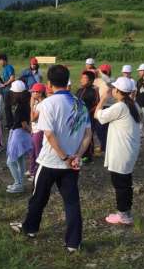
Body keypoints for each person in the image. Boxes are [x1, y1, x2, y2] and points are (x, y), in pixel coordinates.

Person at [10, 65, 92, 252]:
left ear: (49, 83)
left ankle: (30, 228)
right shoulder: (80, 104)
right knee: (72, 202)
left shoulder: (48, 104)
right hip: (71, 163)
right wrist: (77, 156)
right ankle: (73, 243)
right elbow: (88, 134)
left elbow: (48, 133)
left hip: (50, 162)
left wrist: (64, 157)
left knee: (38, 198)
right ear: (68, 80)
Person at [95, 77, 141, 225]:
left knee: (121, 184)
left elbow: (98, 115)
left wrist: (103, 99)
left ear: (119, 91)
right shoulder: (133, 104)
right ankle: (126, 213)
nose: (112, 90)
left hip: (121, 151)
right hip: (128, 150)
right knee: (125, 183)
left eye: (114, 88)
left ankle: (123, 215)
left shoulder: (120, 107)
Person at [6, 80, 32, 194]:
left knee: (11, 161)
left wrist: (32, 132)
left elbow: (24, 124)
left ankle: (18, 183)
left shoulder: (21, 106)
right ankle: (20, 183)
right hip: (20, 133)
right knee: (20, 159)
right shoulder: (26, 103)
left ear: (16, 93)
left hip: (18, 133)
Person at [75, 70, 99, 162]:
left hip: (89, 117)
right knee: (79, 134)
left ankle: (88, 155)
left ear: (91, 80)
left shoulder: (94, 91)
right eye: (82, 78)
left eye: (84, 78)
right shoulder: (79, 90)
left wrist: (87, 113)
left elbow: (96, 105)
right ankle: (80, 153)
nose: (81, 80)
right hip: (78, 117)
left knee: (88, 135)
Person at [28, 82, 46, 180]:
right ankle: (32, 170)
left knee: (38, 153)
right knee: (32, 152)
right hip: (35, 130)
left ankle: (37, 174)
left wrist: (31, 106)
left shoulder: (41, 104)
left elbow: (32, 119)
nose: (32, 94)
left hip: (39, 131)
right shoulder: (38, 102)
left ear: (39, 93)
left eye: (33, 92)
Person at [93, 64, 113, 152]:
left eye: (105, 71)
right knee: (99, 128)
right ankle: (104, 146)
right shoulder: (99, 80)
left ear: (109, 72)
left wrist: (100, 72)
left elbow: (107, 80)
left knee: (105, 128)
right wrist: (93, 74)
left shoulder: (112, 80)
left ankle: (105, 147)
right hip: (101, 105)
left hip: (109, 106)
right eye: (103, 71)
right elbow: (91, 84)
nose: (104, 73)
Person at [0, 53, 16, 127]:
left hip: (8, 90)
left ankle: (10, 123)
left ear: (4, 60)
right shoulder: (4, 68)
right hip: (5, 89)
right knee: (7, 107)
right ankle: (11, 122)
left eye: (0, 60)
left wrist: (5, 84)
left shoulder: (9, 67)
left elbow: (12, 78)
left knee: (7, 107)